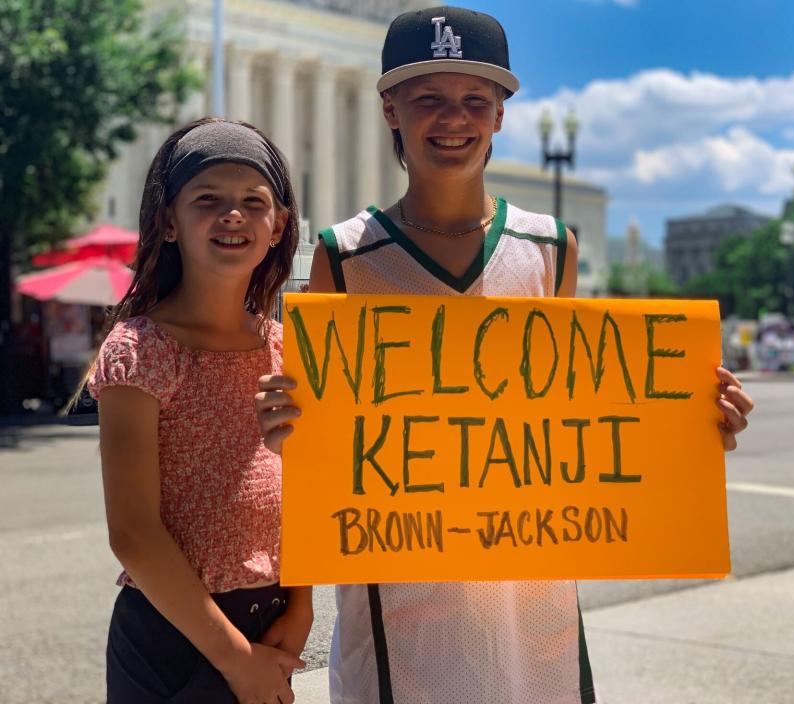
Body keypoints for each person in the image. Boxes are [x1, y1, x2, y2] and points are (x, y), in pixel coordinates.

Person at [256, 7, 754, 703]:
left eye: (474, 101)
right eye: (428, 97)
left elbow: (580, 415)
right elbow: (331, 454)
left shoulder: (552, 248)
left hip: (532, 599)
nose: (452, 119)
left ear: (501, 115)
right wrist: (291, 430)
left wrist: (691, 430)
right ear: (390, 108)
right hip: (398, 605)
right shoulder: (346, 256)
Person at [87, 117, 312, 703]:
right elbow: (133, 533)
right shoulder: (140, 350)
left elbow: (311, 487)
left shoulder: (291, 349)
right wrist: (236, 660)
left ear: (279, 224)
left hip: (274, 623)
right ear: (168, 221)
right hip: (171, 634)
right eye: (207, 199)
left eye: (253, 201)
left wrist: (303, 605)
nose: (232, 215)